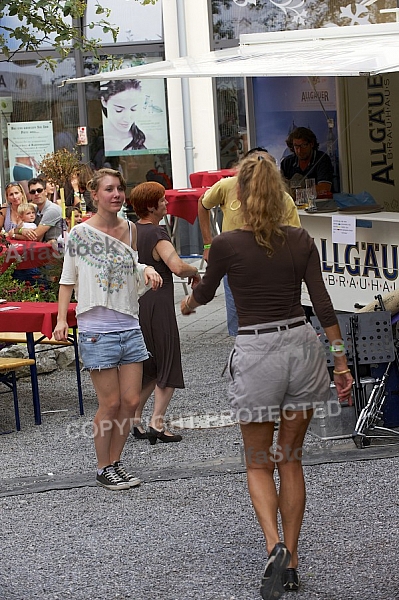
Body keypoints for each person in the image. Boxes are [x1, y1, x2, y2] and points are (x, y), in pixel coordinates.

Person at [182, 153, 353, 599]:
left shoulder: (227, 245)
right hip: (301, 345)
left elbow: (203, 293)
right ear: (279, 193)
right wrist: (340, 363)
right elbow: (324, 305)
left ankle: (274, 546)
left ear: (237, 193)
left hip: (257, 350)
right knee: (290, 459)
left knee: (258, 460)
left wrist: (188, 305)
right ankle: (292, 563)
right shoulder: (300, 240)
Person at [54, 168, 162, 491]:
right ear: (94, 194)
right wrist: (62, 320)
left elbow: (129, 265)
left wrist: (145, 270)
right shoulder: (80, 235)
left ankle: (114, 463)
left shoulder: (130, 229)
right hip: (96, 329)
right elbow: (67, 281)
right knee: (111, 403)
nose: (116, 194)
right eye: (109, 189)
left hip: (129, 325)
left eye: (120, 189)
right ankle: (103, 467)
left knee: (131, 402)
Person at [198, 148, 301, 336]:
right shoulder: (227, 186)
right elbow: (203, 204)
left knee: (271, 325)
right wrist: (207, 244)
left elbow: (294, 243)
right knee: (239, 325)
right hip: (235, 269)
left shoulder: (283, 199)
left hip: (269, 270)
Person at [129, 182, 201, 443]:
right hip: (158, 304)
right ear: (151, 206)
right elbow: (177, 267)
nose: (166, 202)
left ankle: (135, 421)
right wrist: (196, 272)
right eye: (161, 200)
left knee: (148, 365)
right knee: (168, 362)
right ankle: (156, 423)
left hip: (137, 304)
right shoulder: (158, 233)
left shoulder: (131, 231)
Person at [280, 127, 334, 195]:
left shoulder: (322, 159)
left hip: (320, 204)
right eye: (296, 146)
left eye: (303, 145)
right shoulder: (286, 163)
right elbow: (280, 188)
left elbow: (324, 188)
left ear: (311, 144)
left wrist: (296, 192)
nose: (299, 151)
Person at [100, 79, 146, 153]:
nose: (127, 118)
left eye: (133, 109)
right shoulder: (98, 141)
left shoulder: (147, 141)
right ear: (104, 102)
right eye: (119, 110)